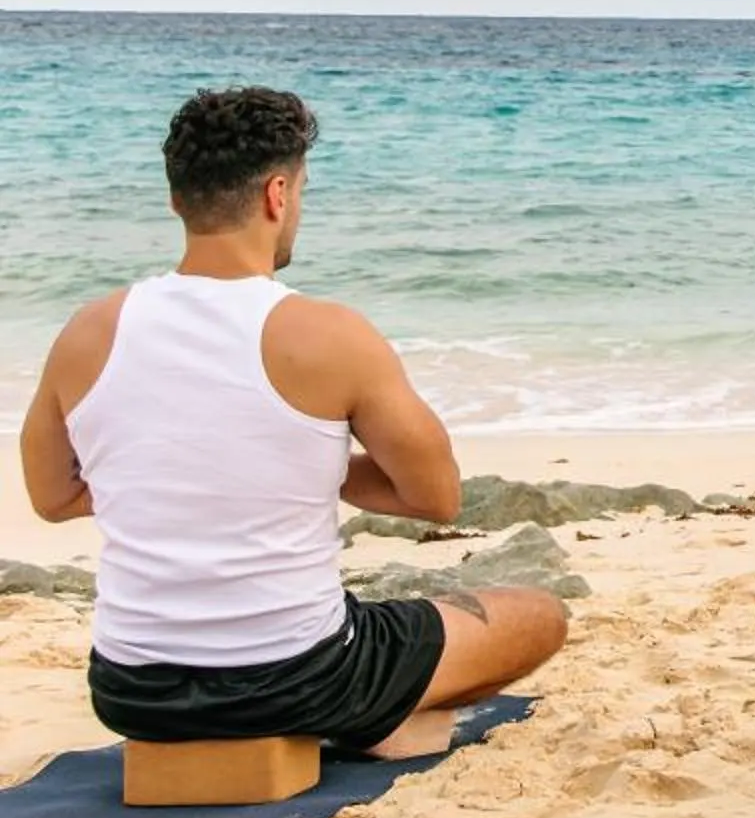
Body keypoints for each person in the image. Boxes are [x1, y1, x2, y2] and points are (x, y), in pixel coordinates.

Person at [16, 87, 567, 758]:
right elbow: (435, 495)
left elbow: (52, 498)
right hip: (300, 679)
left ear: (176, 200)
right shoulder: (330, 335)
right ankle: (378, 722)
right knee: (539, 615)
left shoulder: (87, 332)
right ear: (278, 194)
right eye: (301, 190)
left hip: (134, 692)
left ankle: (371, 721)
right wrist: (308, 466)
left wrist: (197, 471)